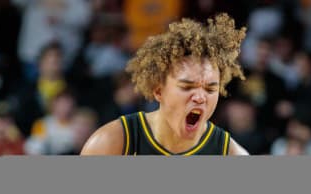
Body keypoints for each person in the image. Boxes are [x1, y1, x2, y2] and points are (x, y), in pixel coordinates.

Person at [80, 13, 249, 156]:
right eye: (187, 87)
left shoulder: (230, 153)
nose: (200, 97)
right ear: (158, 90)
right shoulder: (111, 142)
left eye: (210, 89)